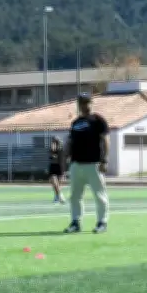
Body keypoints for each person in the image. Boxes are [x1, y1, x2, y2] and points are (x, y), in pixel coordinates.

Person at [63, 93, 110, 234]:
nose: (85, 105)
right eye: (82, 103)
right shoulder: (75, 123)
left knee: (99, 195)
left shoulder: (98, 120)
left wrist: (104, 160)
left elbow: (106, 140)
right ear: (79, 105)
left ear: (92, 103)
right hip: (77, 164)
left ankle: (102, 222)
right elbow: (70, 142)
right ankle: (75, 222)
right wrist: (66, 157)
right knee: (75, 196)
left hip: (93, 164)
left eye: (88, 102)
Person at [47, 137, 66, 204]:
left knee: (58, 184)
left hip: (60, 166)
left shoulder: (61, 149)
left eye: (55, 141)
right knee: (54, 182)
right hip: (53, 166)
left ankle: (57, 196)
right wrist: (53, 149)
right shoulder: (52, 148)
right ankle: (60, 195)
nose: (54, 142)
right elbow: (51, 157)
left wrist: (63, 172)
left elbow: (62, 158)